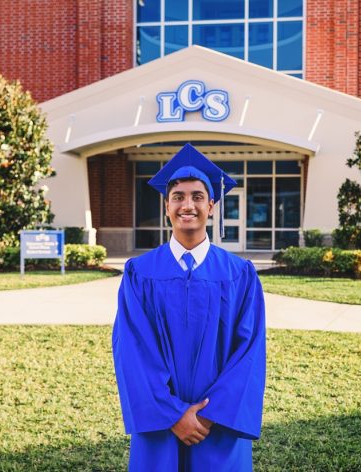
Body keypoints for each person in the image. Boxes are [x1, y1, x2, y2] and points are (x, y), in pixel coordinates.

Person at [112, 143, 267, 471]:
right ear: (166, 205)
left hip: (217, 425)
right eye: (178, 196)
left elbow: (249, 352)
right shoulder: (140, 273)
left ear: (212, 206)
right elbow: (132, 351)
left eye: (198, 197)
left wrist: (207, 415)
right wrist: (173, 414)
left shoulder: (239, 275)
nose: (188, 205)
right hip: (160, 425)